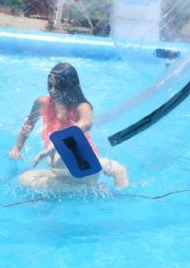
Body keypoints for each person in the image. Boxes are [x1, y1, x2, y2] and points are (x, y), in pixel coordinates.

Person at [8, 62, 129, 191]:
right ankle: (86, 189)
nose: (52, 90)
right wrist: (17, 148)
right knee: (23, 179)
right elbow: (29, 122)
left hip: (84, 163)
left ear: (70, 87)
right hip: (60, 171)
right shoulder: (42, 102)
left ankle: (109, 167)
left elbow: (86, 123)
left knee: (61, 154)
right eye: (50, 85)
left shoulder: (82, 106)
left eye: (58, 87)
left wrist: (55, 144)